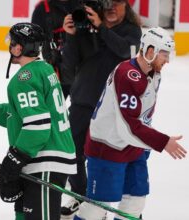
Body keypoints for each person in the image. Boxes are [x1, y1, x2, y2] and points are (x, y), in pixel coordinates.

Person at [73, 27, 187, 220]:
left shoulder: (154, 74)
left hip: (133, 146)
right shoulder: (127, 75)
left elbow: (144, 116)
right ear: (150, 51)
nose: (167, 60)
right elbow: (128, 126)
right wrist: (162, 142)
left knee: (135, 201)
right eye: (164, 54)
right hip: (107, 146)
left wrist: (147, 146)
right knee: (98, 207)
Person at [60, 0, 142, 217]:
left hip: (112, 109)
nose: (111, 8)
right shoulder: (87, 30)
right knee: (70, 152)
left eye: (116, 3)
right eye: (107, 3)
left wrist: (102, 29)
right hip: (82, 102)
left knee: (106, 157)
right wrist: (71, 36)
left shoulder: (132, 32)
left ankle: (99, 203)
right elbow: (69, 68)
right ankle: (80, 195)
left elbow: (127, 54)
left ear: (126, 5)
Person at [0, 22, 77, 220]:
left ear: (19, 47)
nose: (10, 46)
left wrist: (14, 159)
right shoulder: (44, 69)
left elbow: (38, 126)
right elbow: (26, 116)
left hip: (45, 160)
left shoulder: (24, 78)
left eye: (12, 42)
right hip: (46, 159)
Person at [31, 0, 74, 98]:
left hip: (82, 71)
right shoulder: (42, 8)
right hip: (55, 71)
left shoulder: (84, 5)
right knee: (52, 111)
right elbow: (33, 42)